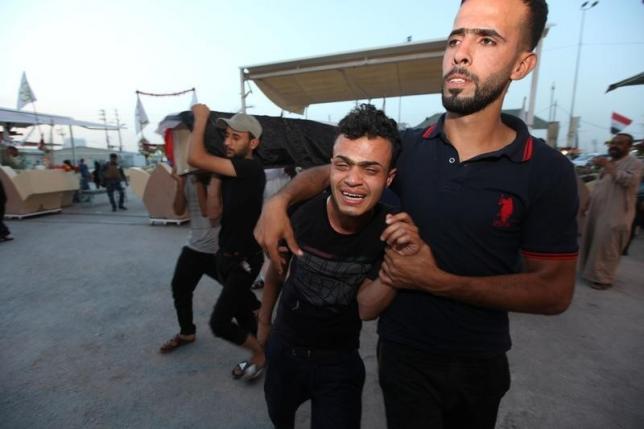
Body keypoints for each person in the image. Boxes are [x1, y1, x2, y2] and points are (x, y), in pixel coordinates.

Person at [253, 0, 579, 427]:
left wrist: (439, 282)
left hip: (478, 361)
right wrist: (279, 202)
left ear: (522, 64)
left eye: (486, 39)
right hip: (403, 356)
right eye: (455, 38)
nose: (460, 53)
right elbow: (336, 170)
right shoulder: (408, 148)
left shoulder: (547, 171)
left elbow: (554, 292)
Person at [258, 104, 404, 429]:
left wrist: (400, 263)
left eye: (370, 169)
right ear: (331, 167)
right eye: (344, 165)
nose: (353, 180)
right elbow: (276, 273)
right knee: (279, 418)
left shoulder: (388, 232)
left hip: (339, 361)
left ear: (389, 177)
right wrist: (264, 324)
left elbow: (366, 309)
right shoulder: (301, 214)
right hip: (284, 348)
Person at [187, 103, 266, 380]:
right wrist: (215, 180)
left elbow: (195, 156)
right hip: (225, 256)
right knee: (244, 314)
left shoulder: (251, 168)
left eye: (236, 137)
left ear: (253, 143)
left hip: (244, 260)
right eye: (226, 136)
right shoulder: (233, 172)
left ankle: (259, 355)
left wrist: (200, 119)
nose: (227, 142)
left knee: (219, 323)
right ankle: (263, 349)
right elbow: (213, 216)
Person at [159, 168, 223, 353]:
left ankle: (261, 318)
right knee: (180, 288)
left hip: (217, 248)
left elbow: (207, 212)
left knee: (236, 291)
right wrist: (180, 184)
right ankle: (187, 332)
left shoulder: (216, 175)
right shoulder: (187, 177)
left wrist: (199, 181)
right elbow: (178, 210)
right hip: (194, 246)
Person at [579, 133, 642, 289]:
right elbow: (602, 186)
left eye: (619, 143)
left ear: (628, 146)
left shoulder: (635, 163)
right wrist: (587, 202)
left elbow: (630, 181)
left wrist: (608, 166)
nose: (614, 146)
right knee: (594, 242)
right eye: (612, 143)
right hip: (598, 211)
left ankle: (603, 279)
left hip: (617, 212)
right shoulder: (612, 163)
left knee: (608, 244)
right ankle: (591, 273)